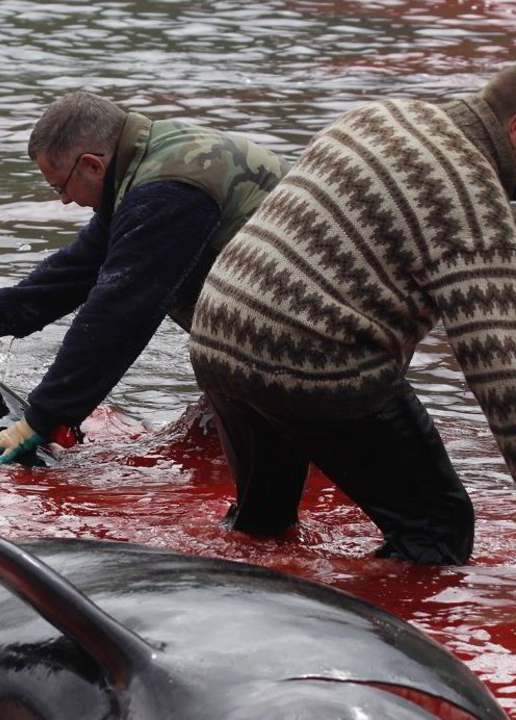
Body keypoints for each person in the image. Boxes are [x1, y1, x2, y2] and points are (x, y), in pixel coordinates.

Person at [188, 66, 516, 565]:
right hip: (311, 357)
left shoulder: (385, 114)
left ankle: (237, 589)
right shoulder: (473, 207)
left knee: (263, 524)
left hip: (218, 332)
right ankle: (378, 631)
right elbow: (501, 374)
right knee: (438, 528)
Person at [0, 91, 288, 463]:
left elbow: (119, 313)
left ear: (92, 165)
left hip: (314, 337)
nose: (65, 201)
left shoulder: (169, 190)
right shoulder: (150, 159)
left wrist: (38, 421)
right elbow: (85, 262)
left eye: (60, 187)